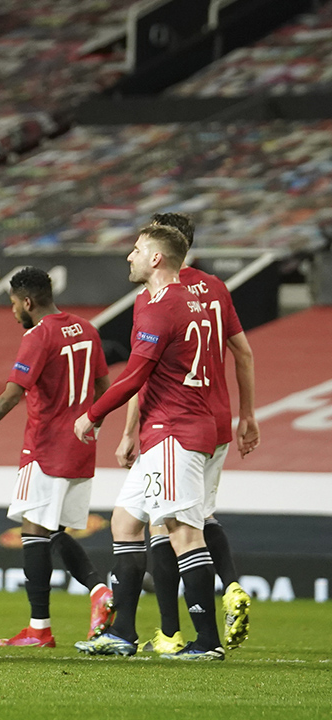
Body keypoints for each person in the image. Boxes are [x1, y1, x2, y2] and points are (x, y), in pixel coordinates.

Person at [0, 267, 114, 648]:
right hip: (82, 447)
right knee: (51, 532)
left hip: (46, 446)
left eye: (13, 304)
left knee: (34, 532)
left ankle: (45, 626)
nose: (13, 311)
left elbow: (12, 393)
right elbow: (104, 385)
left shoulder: (39, 335)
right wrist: (92, 424)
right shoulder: (86, 329)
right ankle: (92, 596)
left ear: (28, 302)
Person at [74, 224, 224, 661]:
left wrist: (93, 414)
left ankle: (206, 641)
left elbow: (136, 374)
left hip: (176, 431)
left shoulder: (162, 307)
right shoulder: (181, 301)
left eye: (137, 250)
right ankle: (122, 633)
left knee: (183, 532)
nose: (130, 257)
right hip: (165, 429)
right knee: (125, 521)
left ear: (156, 259)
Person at [123, 212, 259, 653]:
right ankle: (232, 584)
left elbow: (138, 375)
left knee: (167, 525)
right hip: (216, 420)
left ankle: (174, 631)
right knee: (199, 516)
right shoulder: (215, 288)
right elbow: (243, 352)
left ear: (161, 250)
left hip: (173, 422)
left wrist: (128, 431)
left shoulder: (157, 297)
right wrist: (247, 415)